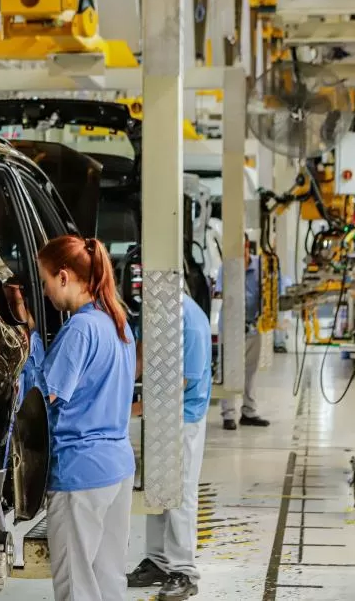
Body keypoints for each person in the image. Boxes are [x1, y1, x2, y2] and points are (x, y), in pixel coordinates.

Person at [11, 235, 136, 601]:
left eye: (46, 281)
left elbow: (40, 397)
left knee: (76, 586)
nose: (46, 292)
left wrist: (29, 338)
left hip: (80, 475)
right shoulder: (116, 322)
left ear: (64, 277)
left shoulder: (80, 329)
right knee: (108, 579)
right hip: (117, 467)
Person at [126, 293, 213, 600]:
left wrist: (135, 407)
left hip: (183, 416)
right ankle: (158, 561)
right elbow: (139, 352)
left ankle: (185, 571)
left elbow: (184, 383)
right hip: (160, 413)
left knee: (179, 492)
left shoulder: (189, 322)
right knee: (157, 487)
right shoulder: (152, 312)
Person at [214, 234, 270, 431]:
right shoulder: (226, 267)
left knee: (251, 371)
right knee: (227, 371)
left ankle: (249, 412)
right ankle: (228, 415)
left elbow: (272, 287)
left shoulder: (260, 266)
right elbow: (219, 291)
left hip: (254, 326)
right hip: (229, 327)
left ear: (247, 245)